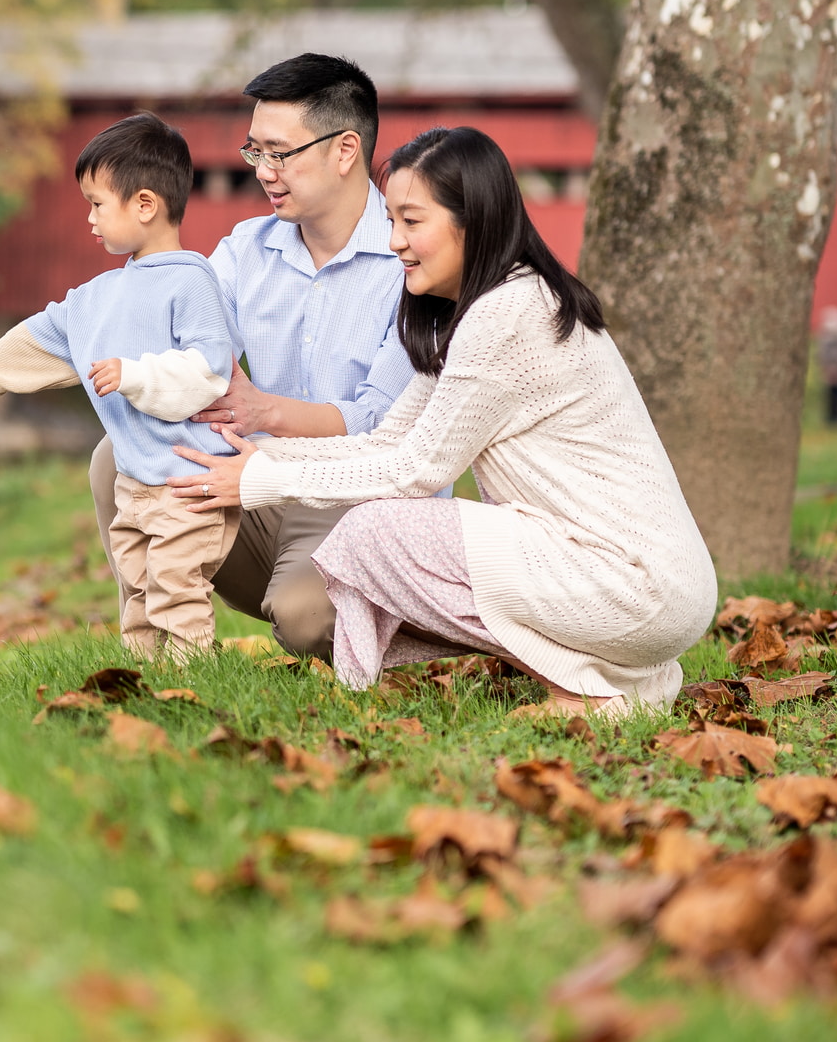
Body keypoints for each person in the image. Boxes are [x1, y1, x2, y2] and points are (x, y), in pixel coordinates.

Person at [167, 126, 717, 714]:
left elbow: (417, 469)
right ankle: (627, 684)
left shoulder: (509, 312)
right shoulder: (476, 311)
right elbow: (388, 441)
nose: (395, 241)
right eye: (392, 221)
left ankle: (586, 689)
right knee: (374, 533)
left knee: (371, 533)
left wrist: (260, 481)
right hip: (628, 580)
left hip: (631, 582)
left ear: (471, 220)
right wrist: (269, 460)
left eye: (412, 221)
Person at [88, 54, 438, 659]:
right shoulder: (246, 249)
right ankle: (158, 644)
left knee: (304, 622)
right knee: (117, 454)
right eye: (257, 153)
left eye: (281, 154)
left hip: (364, 500)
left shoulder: (409, 256)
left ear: (345, 150)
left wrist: (263, 411)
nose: (265, 172)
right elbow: (185, 347)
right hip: (257, 484)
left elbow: (385, 424)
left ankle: (422, 629)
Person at [0, 113, 240, 660]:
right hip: (136, 483)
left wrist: (135, 375)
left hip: (191, 482)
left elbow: (209, 371)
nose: (88, 218)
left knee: (176, 590)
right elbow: (41, 337)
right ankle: (147, 677)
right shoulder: (95, 297)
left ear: (145, 205)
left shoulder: (193, 279)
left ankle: (194, 682)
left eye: (97, 204)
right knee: (138, 588)